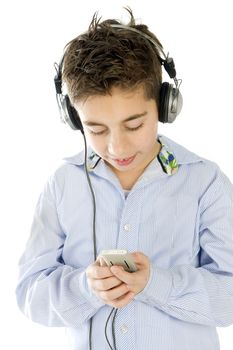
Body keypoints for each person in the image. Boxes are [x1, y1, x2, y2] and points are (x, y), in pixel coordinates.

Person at [16, 7, 233, 350]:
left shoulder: (205, 182)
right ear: (73, 118)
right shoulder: (62, 184)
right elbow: (29, 295)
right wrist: (86, 289)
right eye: (96, 129)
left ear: (164, 105)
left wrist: (157, 284)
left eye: (134, 125)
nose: (117, 147)